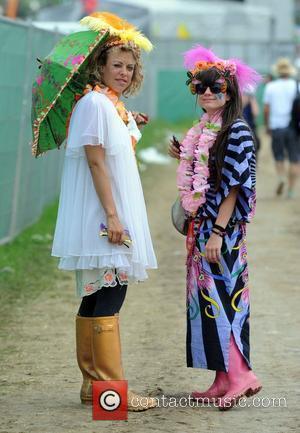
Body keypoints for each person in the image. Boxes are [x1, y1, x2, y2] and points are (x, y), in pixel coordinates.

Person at [51, 12, 157, 411]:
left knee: (98, 294)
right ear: (99, 65)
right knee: (111, 291)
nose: (125, 72)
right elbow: (96, 163)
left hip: (107, 209)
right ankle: (110, 393)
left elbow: (112, 151)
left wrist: (131, 124)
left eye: (130, 67)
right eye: (117, 65)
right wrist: (113, 216)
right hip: (104, 212)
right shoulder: (96, 104)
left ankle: (92, 386)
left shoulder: (108, 105)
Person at [169, 46, 262, 410]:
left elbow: (236, 184)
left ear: (231, 91)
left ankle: (242, 376)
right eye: (200, 87)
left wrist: (219, 232)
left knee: (226, 299)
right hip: (202, 227)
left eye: (216, 87)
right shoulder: (204, 128)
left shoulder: (236, 129)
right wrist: (187, 157)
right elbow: (208, 172)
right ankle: (222, 378)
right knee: (206, 302)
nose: (208, 93)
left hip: (222, 231)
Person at [263, 58, 300, 198]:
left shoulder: (270, 86)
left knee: (279, 156)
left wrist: (267, 125)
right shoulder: (297, 85)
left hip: (276, 126)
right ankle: (290, 190)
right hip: (294, 127)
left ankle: (281, 178)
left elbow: (266, 109)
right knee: (295, 159)